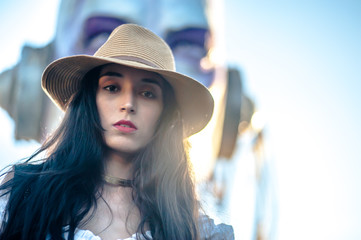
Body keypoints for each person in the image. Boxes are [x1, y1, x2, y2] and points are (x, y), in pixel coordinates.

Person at [0, 24, 234, 239]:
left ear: (165, 113)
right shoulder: (24, 195)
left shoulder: (194, 230)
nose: (128, 103)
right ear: (91, 100)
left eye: (147, 93)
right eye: (112, 87)